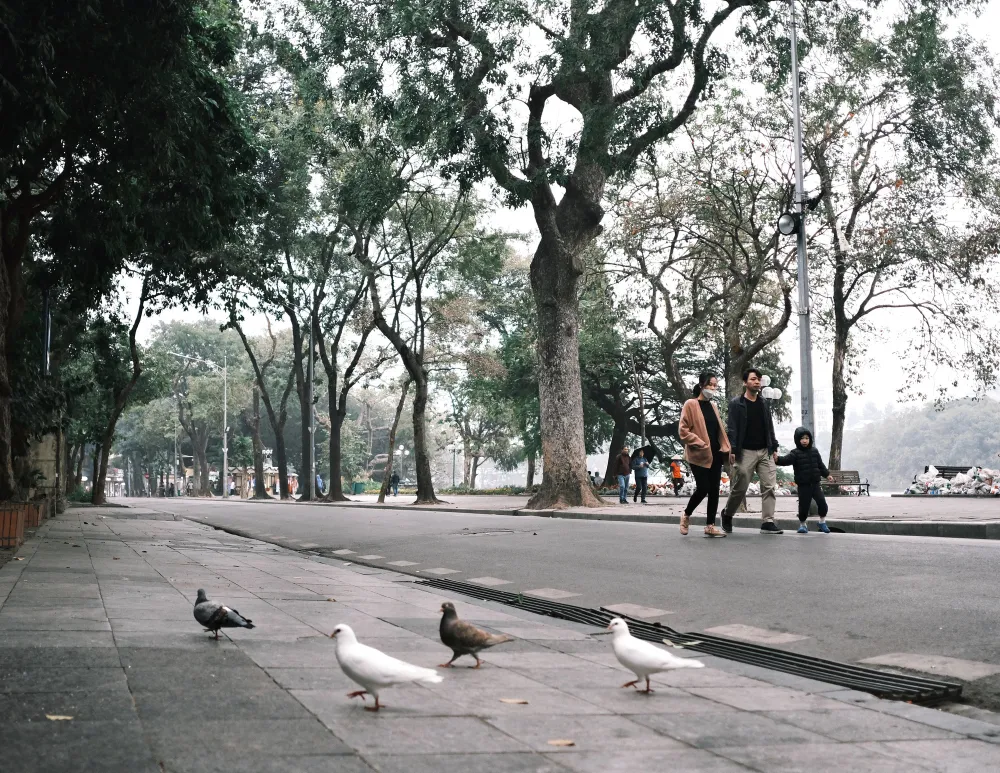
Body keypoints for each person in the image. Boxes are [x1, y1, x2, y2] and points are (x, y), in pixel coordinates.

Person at [721, 368, 782, 534]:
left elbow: (769, 427)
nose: (757, 382)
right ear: (745, 382)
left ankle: (768, 521)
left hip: (765, 451)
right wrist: (732, 450)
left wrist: (774, 447)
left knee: (769, 486)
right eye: (754, 379)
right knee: (740, 487)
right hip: (745, 451)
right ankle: (727, 514)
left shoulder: (763, 403)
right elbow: (732, 428)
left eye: (759, 379)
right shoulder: (736, 403)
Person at [678, 372, 731, 537]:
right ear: (701, 385)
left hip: (715, 453)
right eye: (710, 385)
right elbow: (683, 430)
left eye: (715, 385)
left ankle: (710, 525)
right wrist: (699, 442)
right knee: (703, 487)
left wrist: (727, 448)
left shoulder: (713, 406)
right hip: (698, 454)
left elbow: (719, 431)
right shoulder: (691, 404)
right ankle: (686, 515)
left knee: (715, 489)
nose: (713, 388)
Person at [777, 427, 834, 534]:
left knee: (822, 503)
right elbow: (785, 460)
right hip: (803, 485)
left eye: (807, 438)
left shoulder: (814, 451)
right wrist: (777, 459)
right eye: (802, 438)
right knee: (804, 506)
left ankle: (822, 522)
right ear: (797, 440)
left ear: (810, 439)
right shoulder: (795, 453)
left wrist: (827, 475)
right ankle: (803, 524)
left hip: (816, 484)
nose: (804, 440)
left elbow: (820, 465)